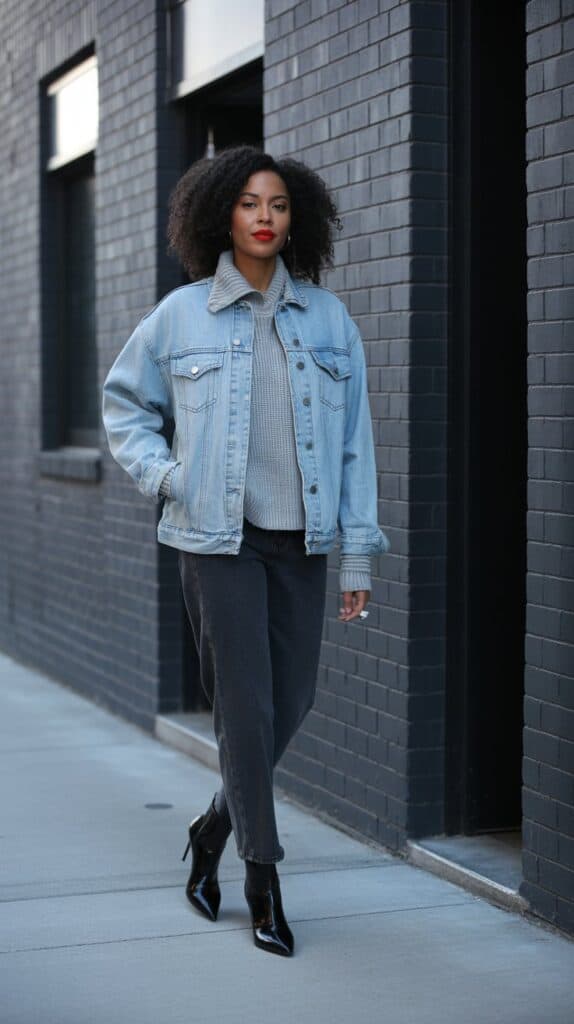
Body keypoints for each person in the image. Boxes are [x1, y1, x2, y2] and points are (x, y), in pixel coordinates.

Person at [102, 145, 390, 958]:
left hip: (302, 541)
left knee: (289, 702)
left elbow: (354, 451)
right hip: (215, 540)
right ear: (220, 213)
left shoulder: (329, 321)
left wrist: (358, 556)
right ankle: (262, 880)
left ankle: (211, 826)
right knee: (246, 710)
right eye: (250, 204)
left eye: (280, 206)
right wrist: (167, 477)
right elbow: (125, 406)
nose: (266, 218)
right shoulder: (181, 316)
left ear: (298, 218)